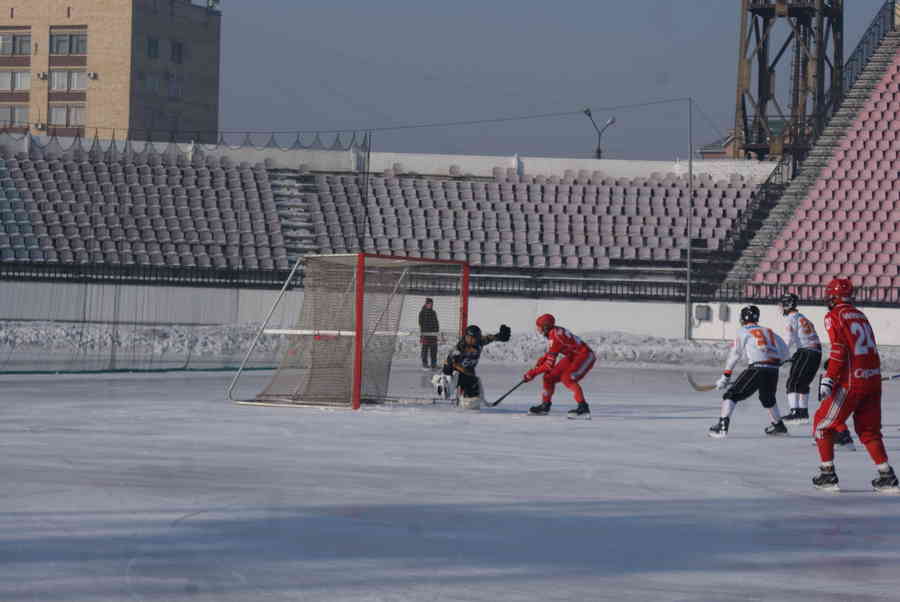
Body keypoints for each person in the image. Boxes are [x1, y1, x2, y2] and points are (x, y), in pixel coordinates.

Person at [811, 278, 898, 492]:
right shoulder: (860, 314)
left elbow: (839, 349)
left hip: (851, 381)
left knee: (822, 424)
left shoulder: (834, 315)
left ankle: (827, 475)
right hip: (872, 379)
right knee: (869, 431)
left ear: (833, 296)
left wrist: (830, 377)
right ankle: (886, 475)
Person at [708, 305, 790, 438]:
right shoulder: (769, 331)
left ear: (743, 318)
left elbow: (735, 354)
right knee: (767, 398)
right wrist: (775, 363)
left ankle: (722, 426)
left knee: (731, 395)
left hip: (757, 367)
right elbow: (786, 353)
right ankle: (778, 425)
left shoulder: (743, 330)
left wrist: (726, 376)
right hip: (773, 369)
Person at [524, 314, 595, 419]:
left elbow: (548, 365)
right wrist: (544, 358)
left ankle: (583, 407)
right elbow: (554, 352)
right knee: (549, 377)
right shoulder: (554, 332)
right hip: (573, 355)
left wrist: (533, 373)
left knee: (567, 378)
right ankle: (545, 405)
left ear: (545, 327)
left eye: (539, 326)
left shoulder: (555, 337)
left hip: (585, 356)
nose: (537, 329)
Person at [437, 323, 510, 409]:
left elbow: (489, 338)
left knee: (473, 398)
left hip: (468, 372)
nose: (470, 340)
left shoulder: (479, 342)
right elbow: (449, 363)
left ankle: (467, 402)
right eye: (468, 337)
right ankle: (444, 386)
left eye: (473, 338)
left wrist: (500, 336)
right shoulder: (459, 348)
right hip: (456, 372)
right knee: (452, 374)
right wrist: (450, 374)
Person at [780, 292, 822, 424]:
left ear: (787, 305)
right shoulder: (802, 317)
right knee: (803, 383)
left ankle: (795, 411)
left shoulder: (791, 318)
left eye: (782, 304)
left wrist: (780, 356)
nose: (780, 307)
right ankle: (803, 412)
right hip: (815, 351)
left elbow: (788, 339)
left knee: (792, 383)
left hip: (806, 351)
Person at [418, 298, 440, 370]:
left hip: (433, 335)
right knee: (425, 350)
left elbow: (436, 323)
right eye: (429, 304)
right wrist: (424, 333)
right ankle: (425, 364)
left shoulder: (434, 312)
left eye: (431, 304)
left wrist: (436, 331)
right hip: (425, 334)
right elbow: (421, 324)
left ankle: (433, 364)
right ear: (426, 304)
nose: (430, 305)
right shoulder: (422, 312)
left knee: (434, 350)